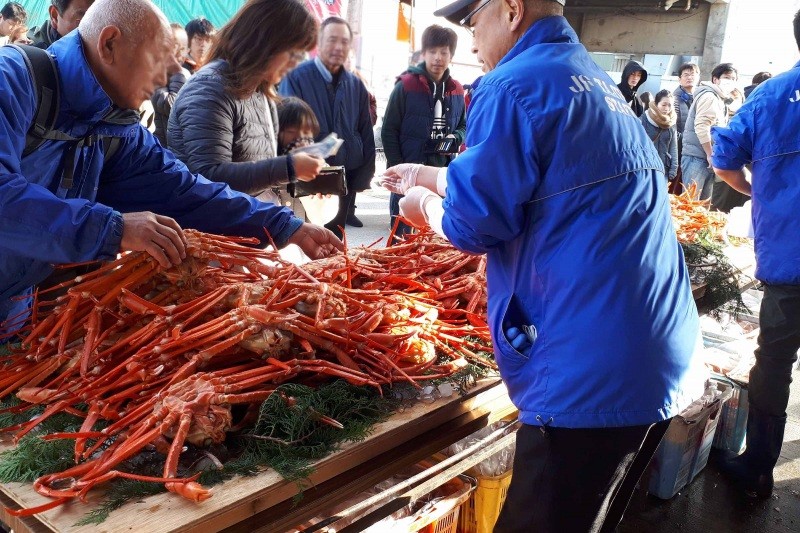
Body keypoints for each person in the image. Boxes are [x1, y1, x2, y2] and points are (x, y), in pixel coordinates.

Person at [384, 1, 703, 531]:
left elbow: (474, 225)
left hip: (590, 374)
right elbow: (534, 180)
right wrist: (430, 173)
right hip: (657, 355)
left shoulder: (512, 84)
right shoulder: (591, 80)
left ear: (510, 9)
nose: (471, 41)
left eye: (472, 23)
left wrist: (425, 209)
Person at [0, 0, 342, 333]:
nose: (169, 77)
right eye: (159, 60)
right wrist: (114, 229)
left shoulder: (119, 128)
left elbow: (187, 191)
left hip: (15, 308)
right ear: (109, 44)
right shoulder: (11, 80)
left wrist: (284, 225)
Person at [710, 10, 800, 501]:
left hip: (790, 259)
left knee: (775, 362)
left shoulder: (770, 96)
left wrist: (754, 190)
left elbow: (722, 159)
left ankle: (758, 469)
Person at [168, 0, 326, 214]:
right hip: (215, 234)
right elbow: (210, 177)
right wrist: (289, 167)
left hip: (251, 223)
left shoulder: (260, 91)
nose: (295, 64)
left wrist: (303, 173)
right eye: (293, 54)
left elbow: (257, 166)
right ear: (266, 43)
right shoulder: (210, 87)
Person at [279, 16, 376, 239]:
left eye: (344, 42)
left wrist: (362, 177)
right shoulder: (296, 77)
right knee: (304, 245)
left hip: (343, 178)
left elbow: (364, 130)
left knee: (335, 247)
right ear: (319, 43)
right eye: (332, 40)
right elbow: (286, 129)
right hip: (307, 179)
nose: (338, 47)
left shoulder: (356, 84)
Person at [382, 24, 466, 239]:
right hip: (408, 173)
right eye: (433, 51)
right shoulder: (406, 86)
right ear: (424, 53)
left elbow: (464, 126)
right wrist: (397, 167)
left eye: (444, 52)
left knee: (435, 240)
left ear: (451, 56)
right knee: (403, 236)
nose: (438, 57)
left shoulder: (456, 88)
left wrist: (454, 137)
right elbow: (389, 130)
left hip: (440, 176)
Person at [680, 63, 742, 206]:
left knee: (701, 206)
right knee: (690, 205)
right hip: (698, 157)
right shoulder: (710, 96)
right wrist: (710, 153)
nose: (730, 81)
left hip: (705, 158)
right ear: (715, 79)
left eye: (733, 79)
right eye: (726, 77)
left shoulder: (720, 99)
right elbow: (702, 126)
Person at [151, 22, 189, 146]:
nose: (179, 53)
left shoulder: (186, 73)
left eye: (183, 48)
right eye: (175, 46)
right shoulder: (154, 73)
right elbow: (171, 104)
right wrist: (177, 72)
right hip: (159, 146)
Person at [640, 89, 679, 184]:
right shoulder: (643, 120)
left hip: (663, 168)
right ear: (656, 104)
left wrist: (674, 168)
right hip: (646, 167)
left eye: (670, 105)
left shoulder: (671, 121)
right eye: (664, 104)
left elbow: (673, 147)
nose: (666, 108)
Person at [28, 0, 92, 49]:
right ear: (55, 16)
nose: (97, 26)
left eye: (101, 16)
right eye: (86, 17)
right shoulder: (29, 60)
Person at [673, 62, 698, 139]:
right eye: (686, 75)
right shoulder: (674, 99)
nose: (689, 77)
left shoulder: (702, 98)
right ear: (679, 79)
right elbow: (671, 125)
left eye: (692, 74)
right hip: (680, 143)